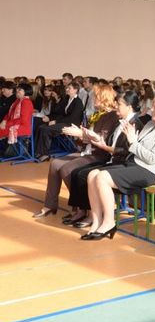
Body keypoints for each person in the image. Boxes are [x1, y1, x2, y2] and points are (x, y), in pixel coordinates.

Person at [83, 93, 155, 240]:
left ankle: (109, 222)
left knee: (102, 177)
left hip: (150, 172)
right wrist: (130, 139)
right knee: (92, 175)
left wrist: (133, 142)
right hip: (134, 164)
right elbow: (135, 147)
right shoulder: (150, 125)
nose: (151, 110)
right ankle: (96, 222)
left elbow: (152, 159)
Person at [32, 85, 119, 220]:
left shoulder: (111, 116)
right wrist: (81, 134)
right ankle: (50, 205)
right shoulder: (98, 114)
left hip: (100, 154)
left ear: (103, 98)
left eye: (96, 97)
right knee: (55, 164)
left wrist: (81, 134)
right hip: (88, 150)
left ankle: (81, 206)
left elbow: (102, 139)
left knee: (67, 168)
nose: (93, 100)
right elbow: (90, 137)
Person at [66, 91, 144, 228]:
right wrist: (95, 138)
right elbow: (110, 141)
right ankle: (83, 210)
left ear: (129, 107)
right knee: (76, 173)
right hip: (112, 158)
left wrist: (105, 147)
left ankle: (92, 214)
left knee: (83, 175)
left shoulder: (135, 124)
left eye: (119, 104)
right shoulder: (121, 122)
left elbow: (127, 151)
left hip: (122, 163)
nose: (116, 106)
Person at [35, 81, 84, 162]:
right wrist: (49, 117)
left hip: (71, 124)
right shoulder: (67, 99)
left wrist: (56, 121)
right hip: (63, 122)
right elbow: (60, 113)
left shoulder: (78, 102)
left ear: (75, 90)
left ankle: (45, 154)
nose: (67, 89)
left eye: (69, 88)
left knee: (46, 129)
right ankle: (38, 151)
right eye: (67, 88)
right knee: (41, 127)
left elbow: (72, 118)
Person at [0, 83, 34, 156]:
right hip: (15, 124)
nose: (17, 91)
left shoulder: (26, 102)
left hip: (22, 127)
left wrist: (7, 124)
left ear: (26, 91)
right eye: (17, 89)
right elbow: (9, 113)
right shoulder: (18, 101)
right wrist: (4, 121)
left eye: (20, 90)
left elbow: (23, 120)